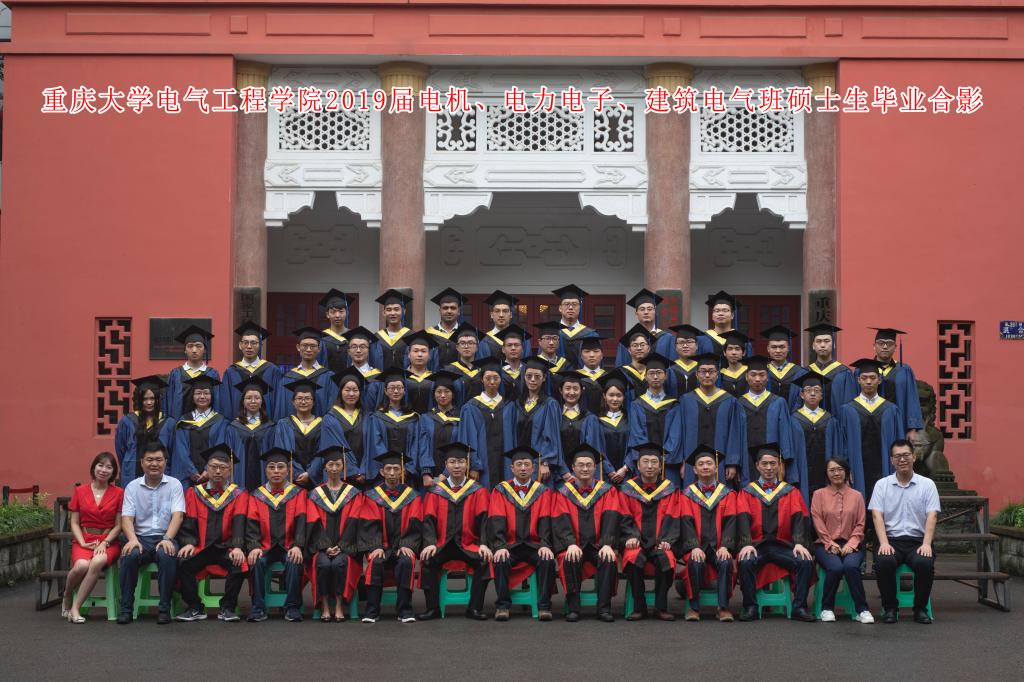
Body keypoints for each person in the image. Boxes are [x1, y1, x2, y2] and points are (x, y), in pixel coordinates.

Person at [735, 443, 816, 622]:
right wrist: (746, 543)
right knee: (746, 561)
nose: (769, 468)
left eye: (773, 463)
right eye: (765, 464)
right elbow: (742, 519)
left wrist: (799, 543)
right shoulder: (747, 492)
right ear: (757, 466)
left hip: (783, 545)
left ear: (779, 465)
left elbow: (799, 518)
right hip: (757, 545)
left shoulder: (790, 492)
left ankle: (799, 607)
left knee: (804, 561)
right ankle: (750, 606)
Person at [550, 443, 628, 622]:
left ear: (595, 467)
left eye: (589, 465)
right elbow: (560, 520)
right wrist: (570, 544)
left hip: (598, 545)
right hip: (574, 544)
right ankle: (573, 607)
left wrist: (607, 544)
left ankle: (604, 608)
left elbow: (612, 517)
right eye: (581, 465)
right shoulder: (563, 492)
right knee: (569, 557)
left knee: (608, 558)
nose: (585, 469)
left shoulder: (607, 491)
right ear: (573, 467)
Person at [417, 442, 493, 621]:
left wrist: (484, 544)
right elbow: (428, 520)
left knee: (484, 561)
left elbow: (485, 520)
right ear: (446, 465)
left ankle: (474, 608)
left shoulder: (478, 491)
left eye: (460, 462)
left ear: (467, 464)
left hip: (468, 544)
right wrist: (429, 544)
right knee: (427, 560)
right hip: (442, 545)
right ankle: (433, 608)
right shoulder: (436, 491)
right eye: (452, 462)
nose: (457, 466)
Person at [174, 444, 249, 623]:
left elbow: (240, 522)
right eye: (213, 466)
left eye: (223, 467)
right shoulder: (194, 493)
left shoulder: (239, 494)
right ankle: (195, 607)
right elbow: (189, 521)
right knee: (183, 562)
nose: (218, 471)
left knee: (239, 564)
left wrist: (238, 547)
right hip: (201, 547)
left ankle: (227, 607)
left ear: (229, 471)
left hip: (226, 547)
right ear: (206, 469)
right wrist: (189, 542)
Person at [869, 439, 940, 624]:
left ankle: (920, 609)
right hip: (890, 540)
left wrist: (926, 544)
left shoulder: (927, 485)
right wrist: (884, 543)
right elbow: (877, 516)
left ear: (913, 457)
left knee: (925, 563)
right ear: (892, 460)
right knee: (884, 562)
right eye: (898, 456)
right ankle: (890, 608)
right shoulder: (882, 485)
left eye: (906, 455)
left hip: (918, 541)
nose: (902, 459)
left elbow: (932, 515)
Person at [349, 451, 422, 623]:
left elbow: (416, 523)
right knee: (376, 561)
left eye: (396, 469)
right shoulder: (372, 496)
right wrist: (376, 546)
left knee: (406, 561)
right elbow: (368, 524)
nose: (392, 472)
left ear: (402, 471)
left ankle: (405, 610)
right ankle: (372, 611)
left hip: (402, 546)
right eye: (388, 469)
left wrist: (408, 544)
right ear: (382, 472)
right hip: (381, 546)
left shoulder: (412, 496)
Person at [117, 442, 185, 625]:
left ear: (165, 462)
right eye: (149, 460)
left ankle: (164, 609)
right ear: (142, 462)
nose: (154, 464)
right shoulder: (132, 487)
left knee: (167, 555)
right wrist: (132, 540)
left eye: (158, 460)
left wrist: (167, 538)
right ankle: (126, 609)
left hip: (165, 536)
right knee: (129, 555)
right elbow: (126, 518)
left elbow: (178, 516)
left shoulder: (175, 485)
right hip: (140, 538)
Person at [487, 446, 558, 621]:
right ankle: (503, 606)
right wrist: (500, 546)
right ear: (512, 468)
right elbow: (496, 519)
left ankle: (544, 606)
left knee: (547, 560)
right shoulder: (501, 490)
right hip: (510, 545)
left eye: (527, 464)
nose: (523, 468)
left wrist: (545, 545)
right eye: (519, 464)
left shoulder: (542, 491)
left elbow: (546, 521)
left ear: (533, 468)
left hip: (534, 545)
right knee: (500, 559)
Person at [244, 447, 309, 622]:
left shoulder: (298, 494)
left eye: (280, 467)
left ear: (288, 470)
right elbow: (251, 525)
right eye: (271, 467)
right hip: (265, 546)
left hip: (289, 545)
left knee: (294, 561)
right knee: (255, 561)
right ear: (266, 470)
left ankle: (292, 607)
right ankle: (258, 608)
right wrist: (254, 546)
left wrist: (298, 545)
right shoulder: (256, 495)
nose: (276, 471)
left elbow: (302, 522)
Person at [678, 445, 740, 622]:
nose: (705, 467)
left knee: (726, 562)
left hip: (719, 546)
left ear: (716, 467)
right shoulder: (687, 495)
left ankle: (723, 607)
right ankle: (694, 607)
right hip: (697, 546)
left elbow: (731, 522)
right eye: (701, 464)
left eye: (709, 463)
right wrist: (693, 547)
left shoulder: (727, 494)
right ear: (694, 470)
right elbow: (686, 522)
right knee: (695, 562)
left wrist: (725, 546)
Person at [619, 443, 680, 621]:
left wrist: (668, 540)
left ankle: (661, 607)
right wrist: (631, 536)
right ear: (638, 466)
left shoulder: (670, 489)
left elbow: (673, 516)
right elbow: (623, 516)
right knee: (632, 558)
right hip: (636, 541)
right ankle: (639, 607)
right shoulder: (627, 489)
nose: (650, 466)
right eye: (645, 461)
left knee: (666, 558)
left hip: (660, 541)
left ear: (660, 466)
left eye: (654, 462)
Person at [811, 456, 873, 624]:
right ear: (827, 473)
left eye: (840, 469)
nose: (836, 473)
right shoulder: (818, 495)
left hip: (852, 544)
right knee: (836, 568)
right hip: (824, 544)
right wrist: (829, 543)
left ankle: (862, 610)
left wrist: (852, 544)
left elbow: (861, 524)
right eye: (832, 470)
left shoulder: (857, 496)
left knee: (851, 566)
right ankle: (826, 608)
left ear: (846, 472)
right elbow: (817, 522)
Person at [64, 452, 124, 623]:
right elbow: (74, 522)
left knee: (97, 561)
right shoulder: (80, 491)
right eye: (100, 465)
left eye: (109, 467)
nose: (104, 470)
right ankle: (67, 594)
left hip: (108, 541)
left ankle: (75, 608)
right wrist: (82, 542)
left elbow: (118, 525)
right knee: (81, 566)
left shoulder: (119, 493)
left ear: (113, 472)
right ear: (94, 467)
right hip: (84, 539)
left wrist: (105, 542)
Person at [307, 446, 362, 622]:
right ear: (324, 467)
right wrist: (325, 547)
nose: (334, 468)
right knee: (323, 564)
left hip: (345, 547)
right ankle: (324, 606)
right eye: (330, 464)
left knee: (339, 564)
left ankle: (339, 606)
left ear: (343, 467)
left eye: (338, 464)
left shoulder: (353, 494)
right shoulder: (315, 494)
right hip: (322, 547)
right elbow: (313, 523)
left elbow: (354, 521)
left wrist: (341, 546)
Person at [837, 358, 905, 497]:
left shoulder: (891, 410)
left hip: (885, 469)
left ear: (879, 380)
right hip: (857, 471)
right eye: (864, 378)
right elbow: (842, 444)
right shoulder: (848, 410)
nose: (868, 382)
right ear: (858, 380)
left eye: (873, 378)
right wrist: (845, 470)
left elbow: (899, 442)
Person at [677, 353, 744, 486]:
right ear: (697, 375)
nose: (707, 375)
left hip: (721, 462)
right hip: (691, 462)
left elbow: (734, 433)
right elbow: (680, 433)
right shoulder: (686, 400)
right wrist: (682, 461)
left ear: (717, 375)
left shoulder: (729, 401)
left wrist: (731, 463)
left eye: (711, 371)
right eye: (703, 371)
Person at [502, 356, 562, 486]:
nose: (533, 380)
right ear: (524, 377)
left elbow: (551, 436)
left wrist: (545, 462)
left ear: (544, 378)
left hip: (538, 465)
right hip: (519, 464)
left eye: (537, 376)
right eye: (529, 376)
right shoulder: (516, 405)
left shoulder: (550, 404)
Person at [735, 356, 794, 487]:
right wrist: (736, 463)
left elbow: (784, 434)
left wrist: (782, 461)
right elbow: (735, 437)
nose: (757, 379)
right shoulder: (738, 403)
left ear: (767, 377)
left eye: (762, 375)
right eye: (753, 375)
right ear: (746, 377)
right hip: (746, 461)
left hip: (772, 463)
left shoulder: (778, 402)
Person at [626, 353, 682, 484]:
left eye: (659, 373)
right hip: (646, 466)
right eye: (651, 373)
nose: (655, 377)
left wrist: (662, 459)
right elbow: (637, 435)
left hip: (668, 465)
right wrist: (649, 460)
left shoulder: (674, 404)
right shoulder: (637, 404)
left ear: (666, 376)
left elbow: (675, 436)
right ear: (645, 376)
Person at [458, 356, 511, 488]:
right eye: (488, 378)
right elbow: (468, 439)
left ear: (501, 379)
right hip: (482, 468)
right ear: (482, 379)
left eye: (496, 378)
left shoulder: (509, 406)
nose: (492, 382)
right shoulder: (471, 407)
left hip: (504, 465)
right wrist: (474, 466)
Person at [272, 378, 334, 488]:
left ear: (313, 402)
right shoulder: (284, 424)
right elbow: (282, 452)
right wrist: (297, 473)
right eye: (299, 398)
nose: (303, 402)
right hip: (292, 480)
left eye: (307, 398)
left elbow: (324, 451)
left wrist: (310, 473)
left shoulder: (323, 424)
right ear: (293, 402)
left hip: (317, 480)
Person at [363, 368, 421, 485]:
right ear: (385, 391)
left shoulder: (414, 417)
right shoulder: (377, 417)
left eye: (399, 388)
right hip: (384, 473)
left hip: (407, 474)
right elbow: (376, 444)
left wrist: (407, 468)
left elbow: (415, 445)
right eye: (391, 388)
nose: (396, 391)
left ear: (404, 391)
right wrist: (389, 467)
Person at [168, 374, 228, 487]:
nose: (202, 396)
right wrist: (192, 471)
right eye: (198, 393)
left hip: (212, 475)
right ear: (192, 396)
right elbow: (181, 449)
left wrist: (208, 469)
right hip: (187, 476)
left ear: (212, 396)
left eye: (206, 393)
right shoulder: (183, 421)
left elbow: (219, 446)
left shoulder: (220, 421)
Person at [790, 373, 841, 501]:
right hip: (802, 473)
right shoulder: (793, 420)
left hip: (825, 473)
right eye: (808, 390)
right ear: (802, 395)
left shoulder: (830, 420)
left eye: (817, 391)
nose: (812, 394)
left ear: (821, 395)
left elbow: (836, 449)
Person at [868, 328, 925, 439]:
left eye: (889, 344)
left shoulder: (904, 370)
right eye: (881, 343)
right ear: (874, 346)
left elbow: (911, 398)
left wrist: (912, 428)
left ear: (895, 347)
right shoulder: (864, 371)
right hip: (871, 425)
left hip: (898, 425)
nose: (885, 347)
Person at [220, 321, 281, 421]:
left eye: (253, 343)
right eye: (245, 342)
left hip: (266, 426)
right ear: (240, 345)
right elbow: (226, 405)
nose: (249, 346)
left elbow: (278, 403)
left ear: (260, 345)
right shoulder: (231, 372)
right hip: (237, 427)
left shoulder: (272, 371)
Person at [273, 328, 337, 420]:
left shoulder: (329, 377)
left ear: (319, 349)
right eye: (305, 345)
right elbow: (282, 410)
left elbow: (333, 410)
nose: (308, 349)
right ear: (298, 347)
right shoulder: (287, 379)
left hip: (321, 428)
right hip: (292, 428)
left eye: (313, 346)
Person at [116, 375, 170, 485]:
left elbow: (171, 452)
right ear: (139, 400)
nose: (149, 403)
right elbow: (120, 450)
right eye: (145, 399)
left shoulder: (168, 423)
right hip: (132, 474)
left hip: (160, 476)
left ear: (158, 399)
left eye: (152, 399)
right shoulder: (127, 421)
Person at [223, 376, 275, 491]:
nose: (253, 401)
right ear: (243, 401)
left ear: (262, 401)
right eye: (248, 398)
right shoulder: (233, 427)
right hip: (239, 477)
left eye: (257, 398)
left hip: (264, 477)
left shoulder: (270, 427)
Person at [554, 370, 603, 485]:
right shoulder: (555, 416)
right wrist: (564, 472)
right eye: (567, 388)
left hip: (582, 476)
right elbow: (552, 445)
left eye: (575, 388)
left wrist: (578, 473)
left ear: (581, 390)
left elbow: (591, 449)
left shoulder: (589, 418)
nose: (571, 392)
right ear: (561, 390)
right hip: (558, 474)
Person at [320, 368, 369, 483]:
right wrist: (353, 471)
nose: (351, 394)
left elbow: (370, 447)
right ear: (340, 392)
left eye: (355, 390)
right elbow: (331, 448)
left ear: (360, 392)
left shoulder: (367, 417)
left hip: (364, 477)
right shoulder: (330, 419)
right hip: (340, 475)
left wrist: (363, 470)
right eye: (347, 390)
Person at [417, 369, 463, 488]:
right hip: (430, 478)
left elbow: (462, 446)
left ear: (453, 394)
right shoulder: (426, 418)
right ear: (434, 394)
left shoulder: (461, 417)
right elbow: (423, 446)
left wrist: (446, 474)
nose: (442, 395)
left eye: (447, 391)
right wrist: (426, 473)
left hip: (455, 475)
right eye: (439, 391)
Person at [164, 324, 220, 420]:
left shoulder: (212, 374)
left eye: (198, 346)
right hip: (180, 425)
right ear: (185, 350)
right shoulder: (175, 374)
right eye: (190, 346)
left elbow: (217, 403)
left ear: (205, 350)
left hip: (206, 425)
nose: (194, 350)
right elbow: (168, 402)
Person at [803, 324, 857, 412]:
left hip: (836, 420)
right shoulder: (805, 372)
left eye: (827, 341)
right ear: (813, 346)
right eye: (818, 341)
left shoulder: (844, 372)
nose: (822, 345)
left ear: (834, 345)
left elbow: (849, 405)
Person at [615, 288, 674, 366]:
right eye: (642, 309)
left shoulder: (667, 338)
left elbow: (672, 367)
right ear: (636, 313)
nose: (646, 312)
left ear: (655, 312)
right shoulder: (626, 341)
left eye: (649, 309)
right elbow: (620, 367)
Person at [596, 369, 631, 483]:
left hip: (626, 474)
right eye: (611, 395)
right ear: (604, 396)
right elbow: (597, 448)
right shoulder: (596, 421)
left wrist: (625, 468)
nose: (615, 399)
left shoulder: (629, 420)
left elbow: (635, 446)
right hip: (605, 475)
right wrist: (609, 470)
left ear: (624, 397)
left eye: (619, 395)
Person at [553, 284, 599, 369]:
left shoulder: (590, 334)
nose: (570, 307)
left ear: (580, 308)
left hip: (584, 377)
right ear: (560, 308)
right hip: (556, 377)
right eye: (566, 304)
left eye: (574, 304)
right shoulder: (551, 333)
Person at [760, 325, 807, 410]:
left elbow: (801, 401)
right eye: (774, 347)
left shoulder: (799, 372)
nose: (778, 351)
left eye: (782, 347)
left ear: (788, 348)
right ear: (768, 349)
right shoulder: (761, 371)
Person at [479, 290, 532, 360]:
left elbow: (527, 363)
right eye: (497, 311)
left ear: (511, 314)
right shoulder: (484, 340)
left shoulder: (523, 338)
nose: (501, 315)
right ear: (491, 315)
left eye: (505, 311)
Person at [697, 291, 750, 357]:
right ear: (712, 316)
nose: (721, 313)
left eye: (725, 310)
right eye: (717, 311)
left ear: (732, 315)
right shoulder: (701, 340)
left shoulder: (743, 341)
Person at [371, 289, 413, 370]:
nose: (393, 313)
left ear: (404, 311)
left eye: (396, 309)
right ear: (384, 313)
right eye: (389, 310)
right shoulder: (376, 338)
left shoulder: (412, 336)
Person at [343, 326, 384, 410]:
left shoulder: (378, 378)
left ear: (369, 350)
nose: (358, 350)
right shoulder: (342, 376)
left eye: (363, 346)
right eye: (354, 346)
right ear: (349, 351)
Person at [443, 323, 483, 406]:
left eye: (470, 343)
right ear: (457, 347)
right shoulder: (448, 371)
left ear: (477, 347)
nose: (466, 346)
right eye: (462, 343)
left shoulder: (483, 370)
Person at [317, 288, 355, 375]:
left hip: (349, 381)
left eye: (341, 311)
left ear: (347, 313)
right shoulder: (321, 338)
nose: (337, 315)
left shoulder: (353, 337)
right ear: (327, 314)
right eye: (333, 312)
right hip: (327, 381)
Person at [426, 288, 466, 370]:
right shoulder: (429, 334)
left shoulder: (466, 334)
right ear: (440, 311)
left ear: (459, 311)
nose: (449, 311)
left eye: (453, 308)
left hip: (460, 377)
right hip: (435, 376)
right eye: (445, 308)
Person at [665, 324, 706, 397]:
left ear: (696, 346)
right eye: (681, 342)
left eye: (689, 342)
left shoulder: (704, 369)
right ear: (675, 347)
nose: (685, 346)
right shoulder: (669, 370)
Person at [402, 330, 437, 414]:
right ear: (409, 354)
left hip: (430, 420)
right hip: (405, 420)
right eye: (415, 351)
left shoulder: (435, 378)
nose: (420, 355)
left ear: (429, 355)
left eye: (423, 351)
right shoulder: (402, 377)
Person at [496, 324, 530, 401]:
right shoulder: (497, 370)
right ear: (503, 349)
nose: (513, 348)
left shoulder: (528, 370)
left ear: (522, 349)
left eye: (517, 345)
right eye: (509, 345)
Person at [617, 325, 651, 403]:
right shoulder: (622, 373)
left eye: (642, 345)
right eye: (635, 345)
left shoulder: (654, 372)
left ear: (648, 348)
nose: (639, 348)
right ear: (629, 350)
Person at [574, 336, 608, 414]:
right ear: (581, 356)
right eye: (587, 351)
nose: (592, 355)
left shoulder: (608, 377)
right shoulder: (575, 377)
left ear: (602, 355)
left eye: (596, 351)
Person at [719, 331, 752, 397]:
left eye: (737, 349)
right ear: (724, 353)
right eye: (730, 349)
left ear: (744, 353)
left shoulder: (750, 373)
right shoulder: (720, 375)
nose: (733, 352)